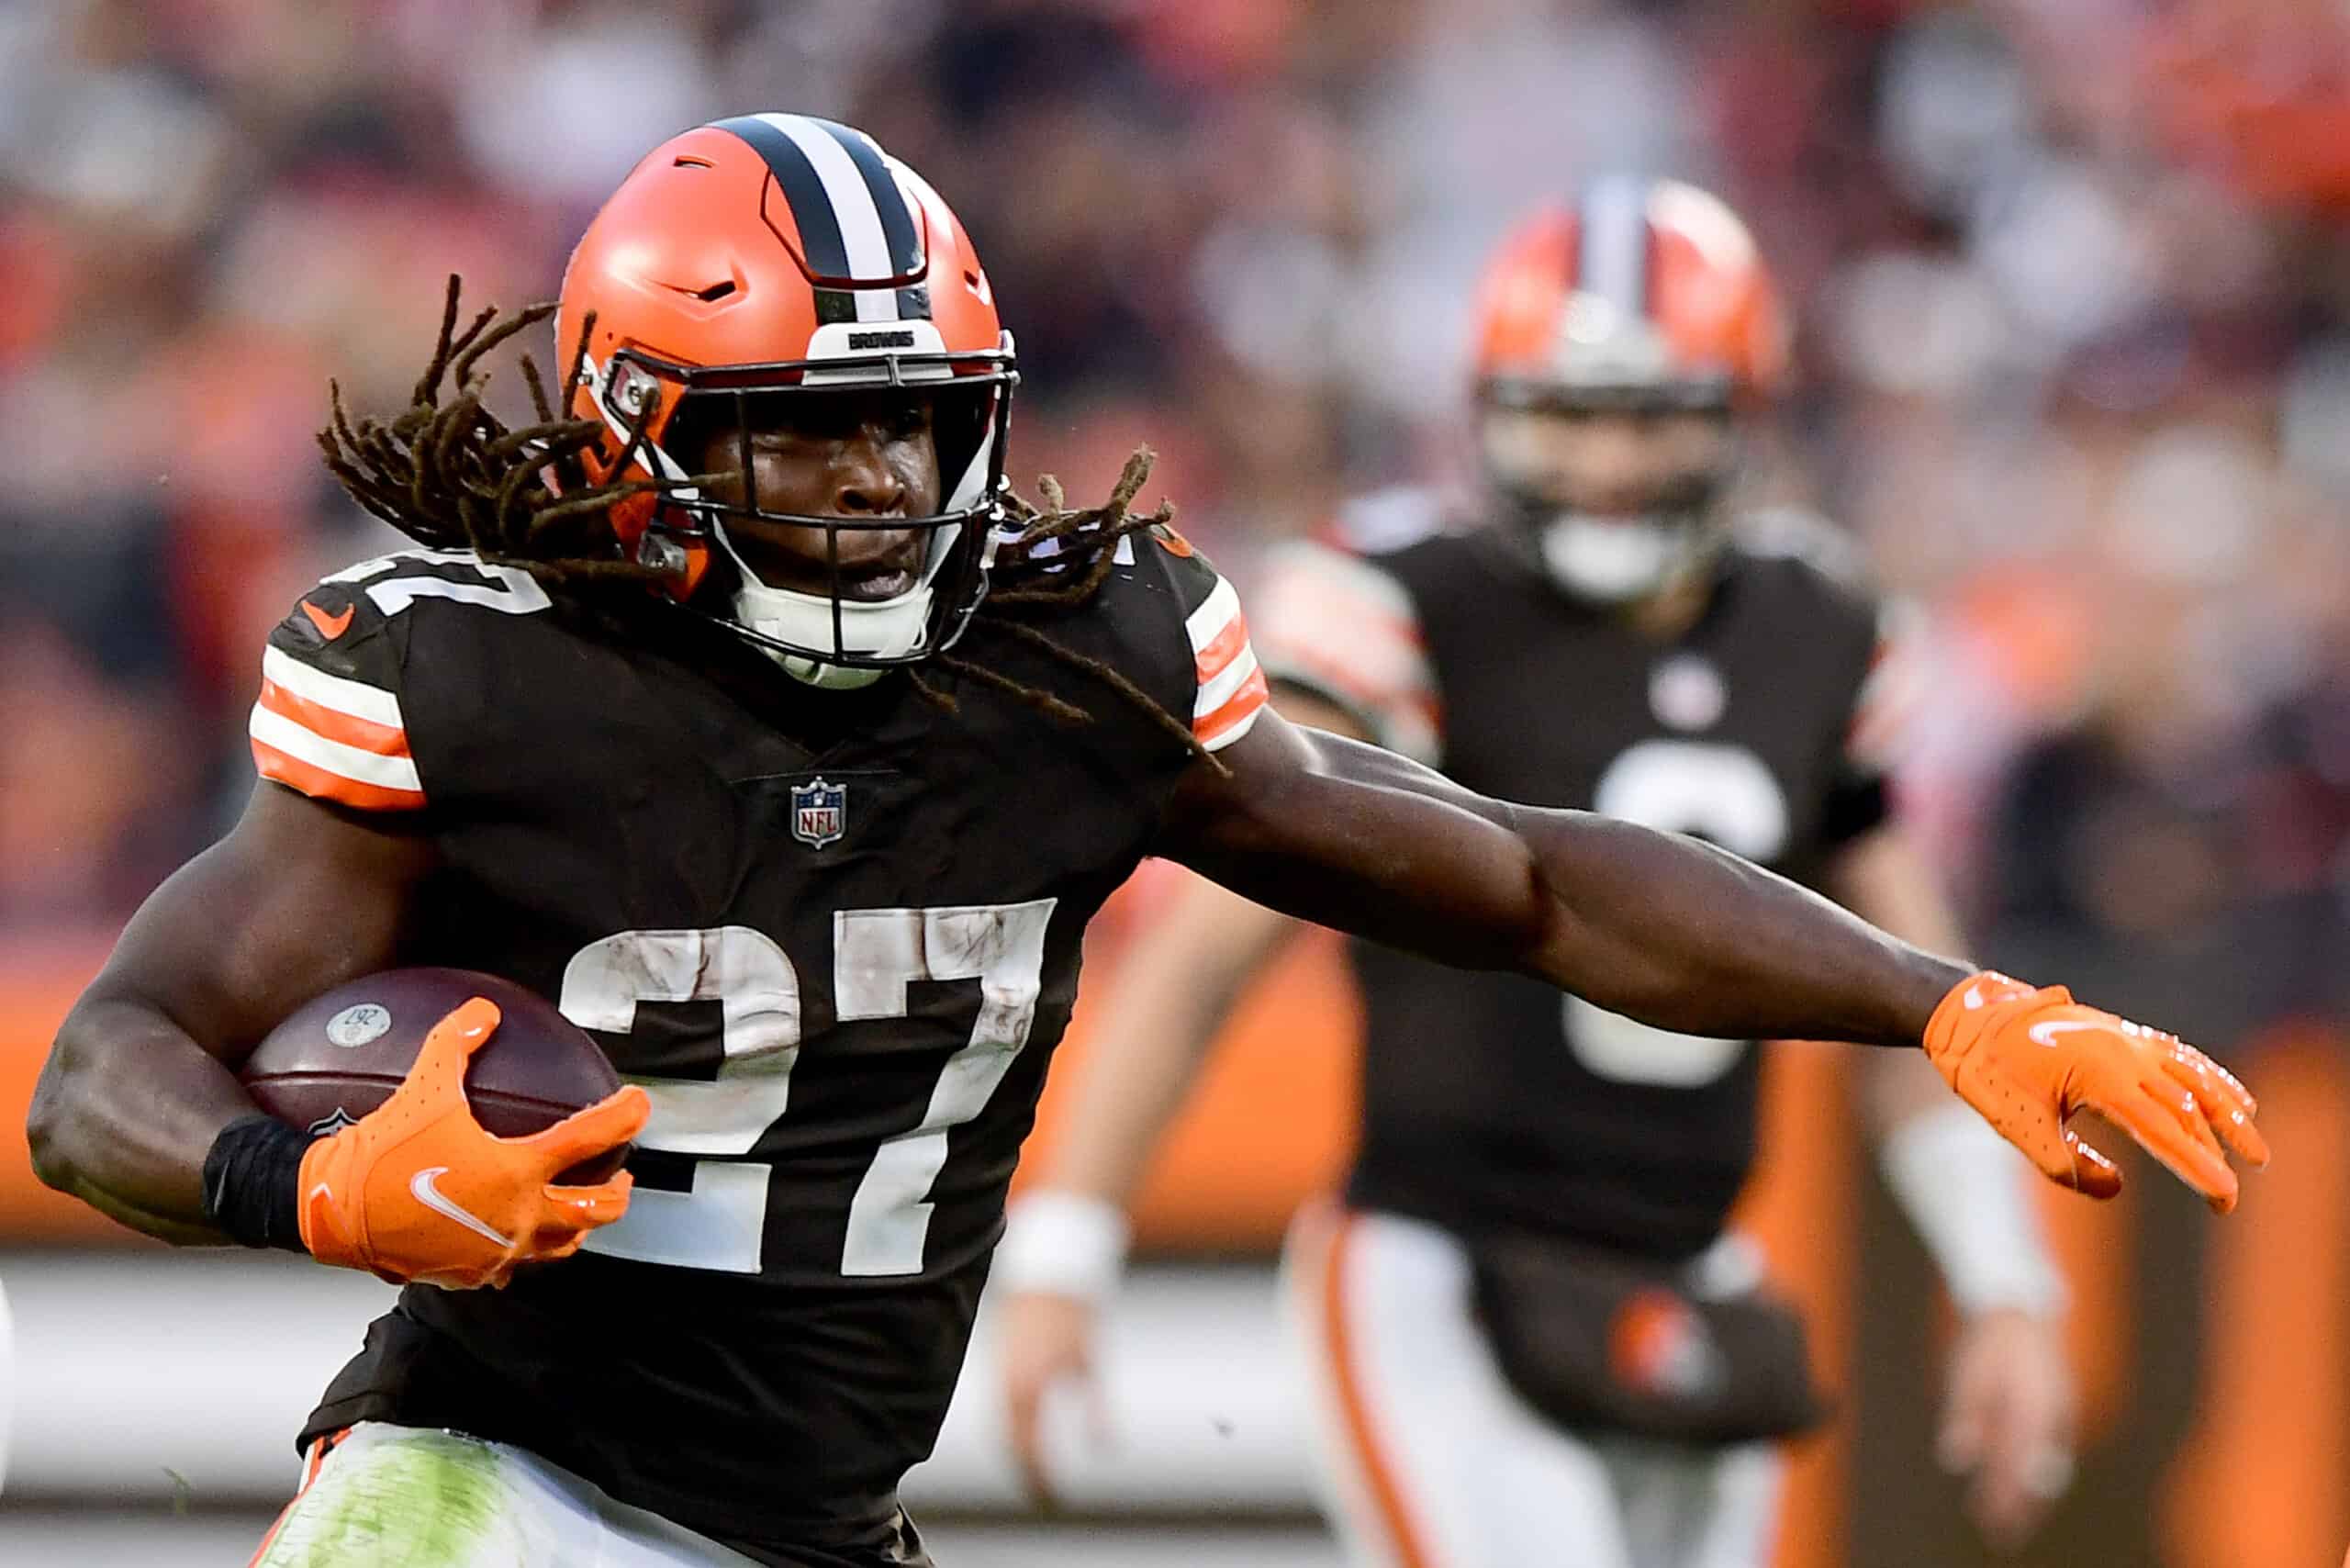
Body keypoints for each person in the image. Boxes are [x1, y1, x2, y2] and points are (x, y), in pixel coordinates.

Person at [25, 119, 2261, 1568]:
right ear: (636, 446)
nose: (881, 495)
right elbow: (108, 1059)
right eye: (809, 445)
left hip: (819, 1512)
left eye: (919, 432)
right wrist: (292, 1179)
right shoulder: (472, 680)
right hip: (485, 1483)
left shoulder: (1070, 661)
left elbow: (1527, 875)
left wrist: (1941, 997)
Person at [996, 181, 2087, 1567]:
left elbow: (1915, 1002)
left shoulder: (1818, 621)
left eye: (1650, 415)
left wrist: (2007, 1286)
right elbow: (1210, 953)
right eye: (1567, 413)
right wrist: (1066, 1250)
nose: (1606, 463)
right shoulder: (1406, 601)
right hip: (1439, 1263)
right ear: (1493, 415)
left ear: (1740, 415)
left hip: (1696, 1269)